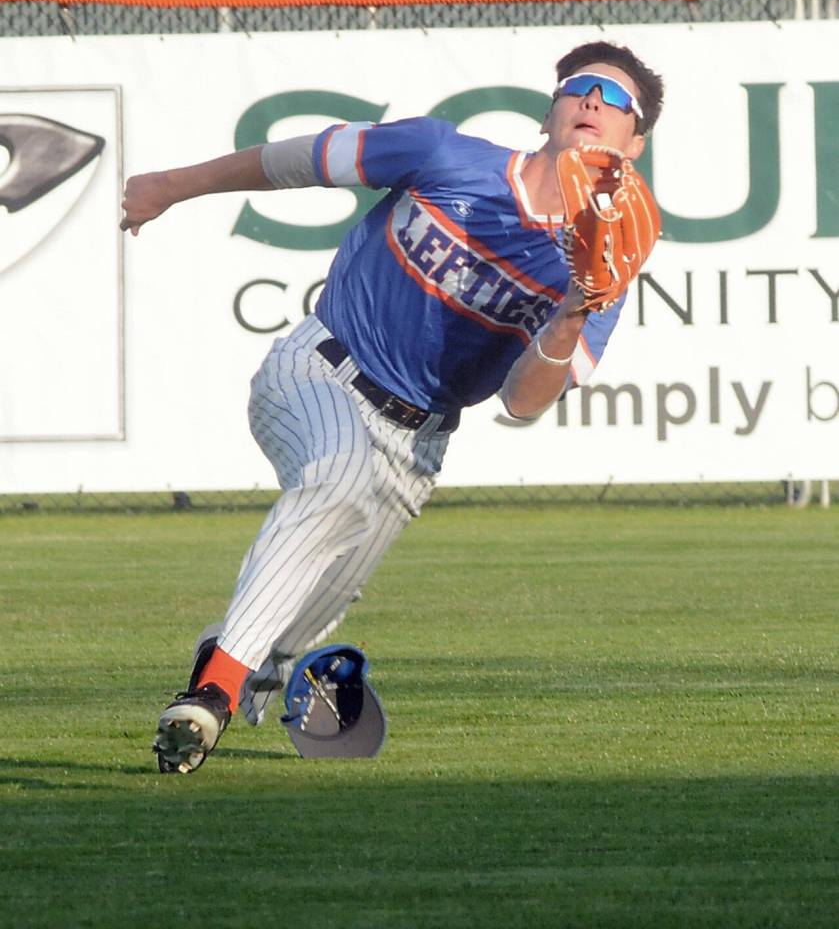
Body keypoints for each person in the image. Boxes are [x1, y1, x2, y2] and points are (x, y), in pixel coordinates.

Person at [120, 40, 664, 773]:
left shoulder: (603, 273)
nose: (593, 101)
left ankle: (237, 670)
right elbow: (299, 159)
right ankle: (209, 696)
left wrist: (571, 310)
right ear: (551, 109)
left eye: (615, 98)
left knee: (312, 608)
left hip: (417, 446)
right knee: (335, 484)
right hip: (321, 370)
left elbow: (522, 402)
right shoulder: (445, 155)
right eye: (580, 86)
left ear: (634, 141)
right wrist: (172, 185)